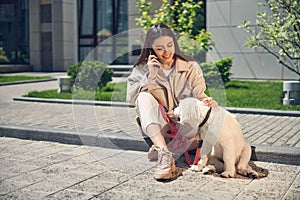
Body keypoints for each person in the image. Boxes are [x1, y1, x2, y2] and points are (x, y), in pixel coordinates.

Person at [127, 24, 216, 180]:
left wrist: (206, 101)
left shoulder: (190, 66)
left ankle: (165, 148)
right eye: (160, 48)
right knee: (143, 97)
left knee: (209, 126)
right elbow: (132, 99)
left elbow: (199, 95)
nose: (166, 51)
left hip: (185, 126)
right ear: (151, 48)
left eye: (170, 45)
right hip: (159, 127)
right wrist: (150, 76)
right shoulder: (141, 69)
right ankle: (165, 155)